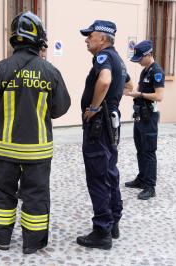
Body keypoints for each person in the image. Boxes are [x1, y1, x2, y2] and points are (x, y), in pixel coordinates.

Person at [0, 11, 70, 254]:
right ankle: (33, 244)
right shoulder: (50, 72)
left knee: (2, 195)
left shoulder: (1, 69)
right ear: (39, 40)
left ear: (14, 39)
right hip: (37, 150)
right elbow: (61, 108)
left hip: (4, 149)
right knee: (36, 196)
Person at [76, 20, 130, 250]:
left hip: (99, 125)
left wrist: (96, 107)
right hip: (111, 124)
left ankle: (102, 231)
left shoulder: (103, 57)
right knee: (110, 172)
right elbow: (128, 85)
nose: (87, 39)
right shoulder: (119, 59)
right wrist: (112, 104)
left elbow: (106, 80)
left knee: (98, 175)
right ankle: (113, 222)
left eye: (91, 35)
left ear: (103, 39)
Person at [124, 40, 165, 200]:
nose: (139, 61)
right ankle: (141, 179)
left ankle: (150, 186)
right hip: (140, 115)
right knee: (140, 149)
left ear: (149, 55)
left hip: (150, 117)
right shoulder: (144, 71)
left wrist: (140, 95)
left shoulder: (157, 71)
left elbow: (159, 96)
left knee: (149, 151)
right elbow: (141, 91)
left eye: (140, 58)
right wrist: (132, 92)